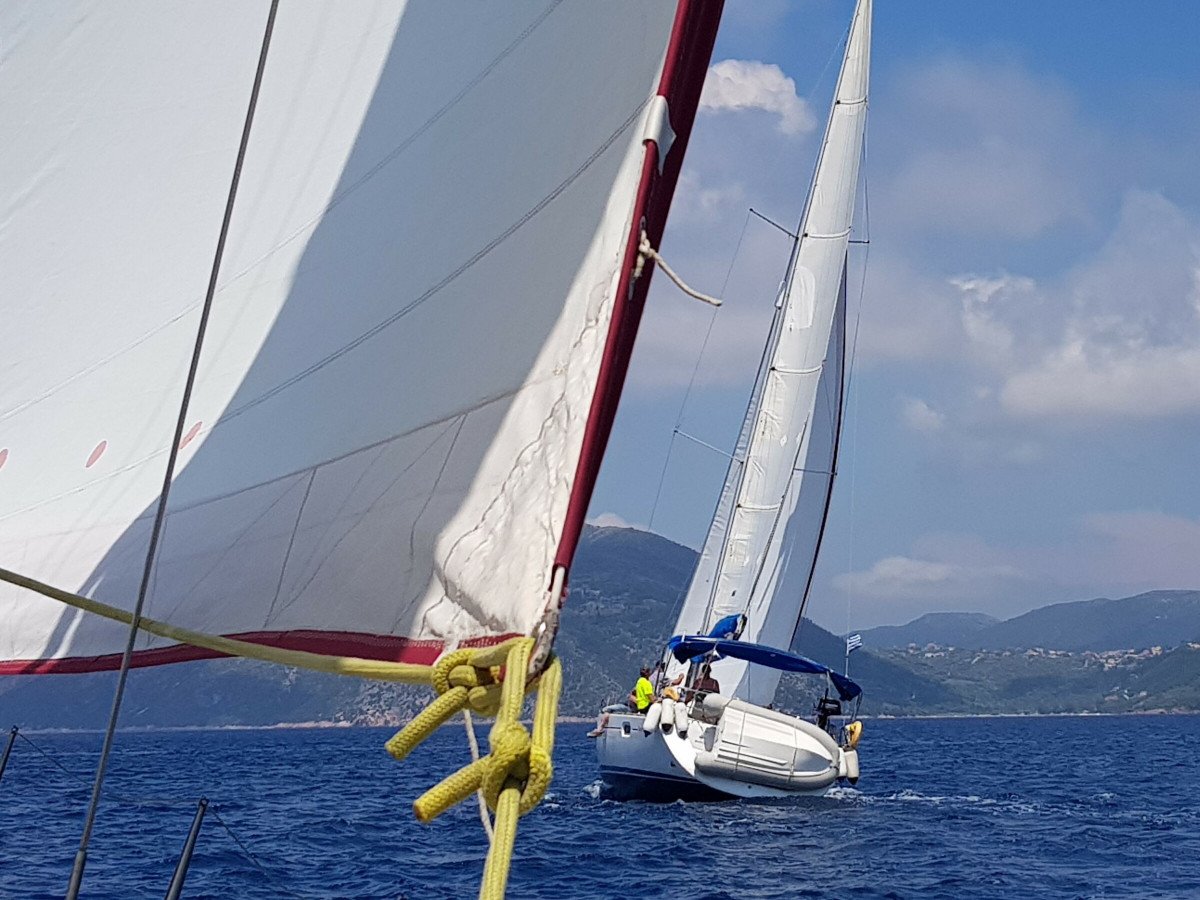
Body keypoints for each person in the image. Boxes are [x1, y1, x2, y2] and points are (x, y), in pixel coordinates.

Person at [587, 665, 657, 737]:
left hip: (631, 708)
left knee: (606, 710)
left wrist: (635, 699)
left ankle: (600, 729)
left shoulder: (640, 682)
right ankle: (600, 729)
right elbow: (647, 696)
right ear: (649, 673)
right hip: (633, 706)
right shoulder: (645, 683)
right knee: (607, 710)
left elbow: (646, 697)